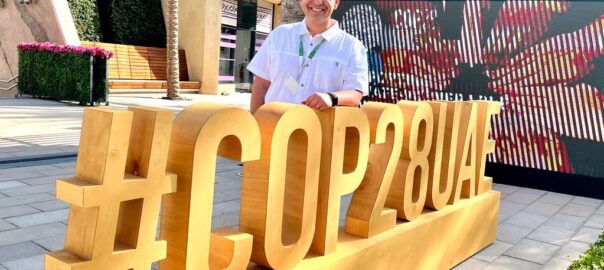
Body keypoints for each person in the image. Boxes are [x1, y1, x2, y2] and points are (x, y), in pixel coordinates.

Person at [247, 0, 368, 113]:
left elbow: (355, 94)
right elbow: (261, 85)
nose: (318, 2)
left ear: (336, 2)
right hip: (272, 127)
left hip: (318, 132)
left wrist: (331, 97)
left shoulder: (352, 46)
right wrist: (255, 124)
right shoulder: (279, 35)